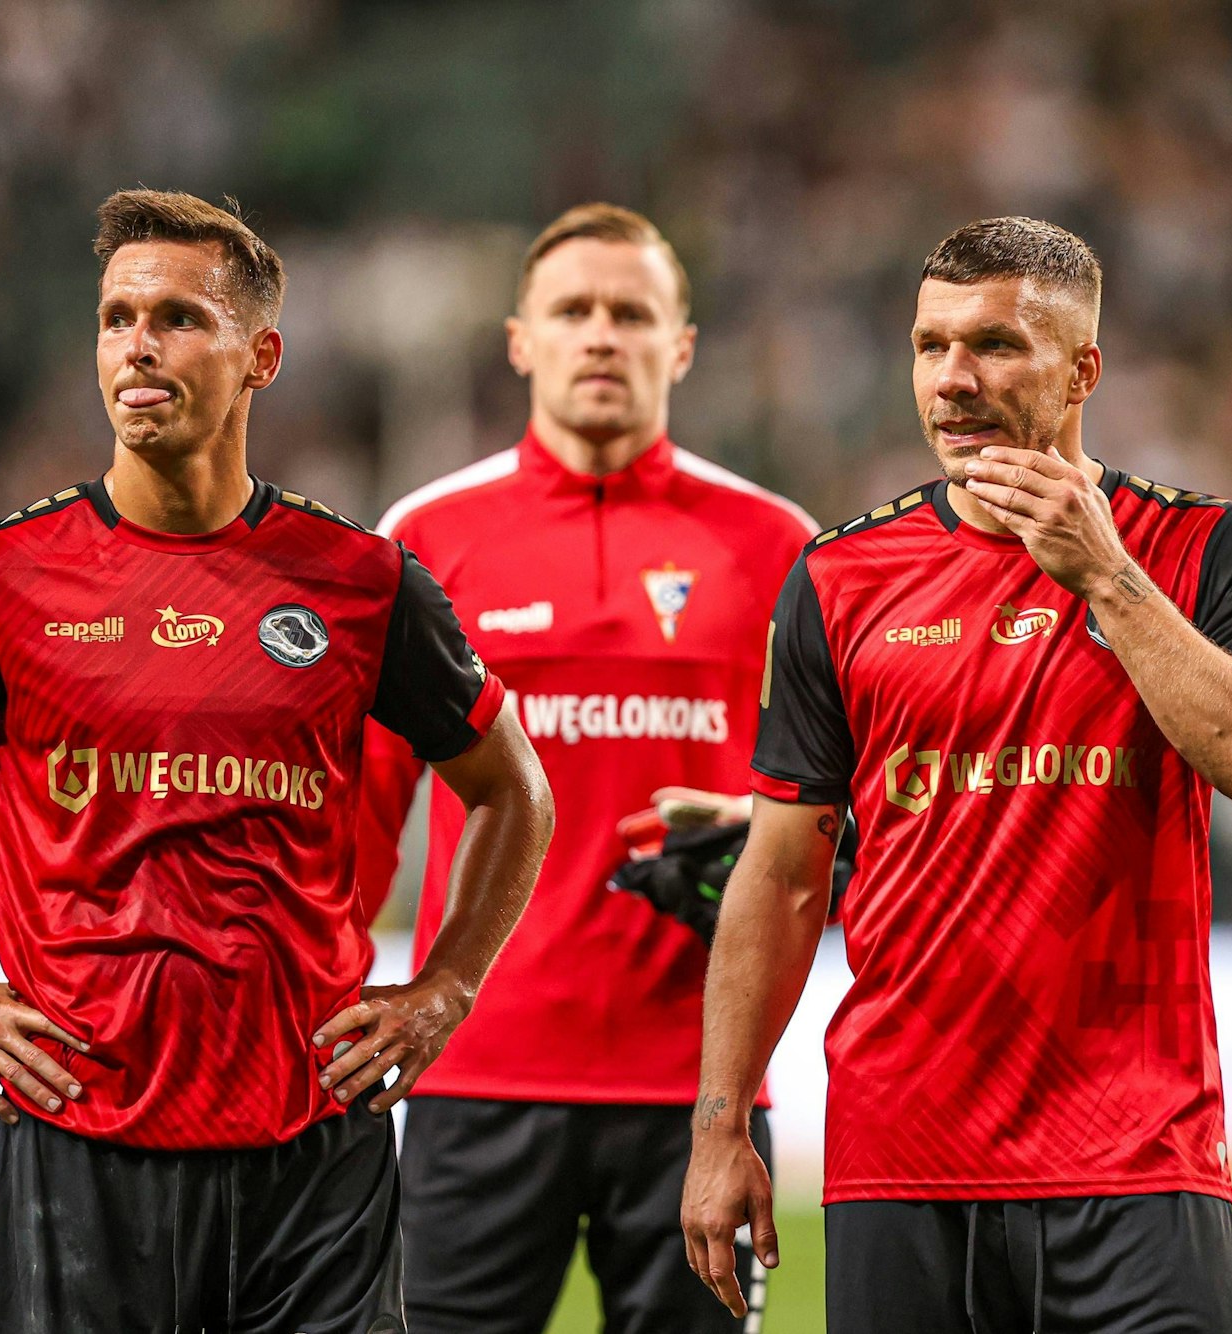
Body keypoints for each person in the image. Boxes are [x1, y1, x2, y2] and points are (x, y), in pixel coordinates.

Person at [0, 189, 554, 1334]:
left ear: (262, 356)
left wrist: (446, 988)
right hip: (83, 1146)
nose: (136, 344)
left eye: (179, 317)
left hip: (315, 1150)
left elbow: (513, 788)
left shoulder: (362, 583)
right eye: (115, 316)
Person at [681, 216, 1232, 1333]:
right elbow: (783, 874)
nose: (952, 380)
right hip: (903, 1157)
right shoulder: (838, 578)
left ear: (1083, 370)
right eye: (930, 346)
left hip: (1139, 1155)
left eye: (992, 345)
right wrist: (718, 1126)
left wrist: (1104, 578)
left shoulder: (1195, 545)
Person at [355, 203, 816, 1334]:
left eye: (630, 313)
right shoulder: (423, 538)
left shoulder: (778, 547)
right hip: (473, 1067)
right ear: (521, 339)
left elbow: (830, 811)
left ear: (681, 344)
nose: (600, 335)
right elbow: (356, 819)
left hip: (699, 1089)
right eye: (573, 311)